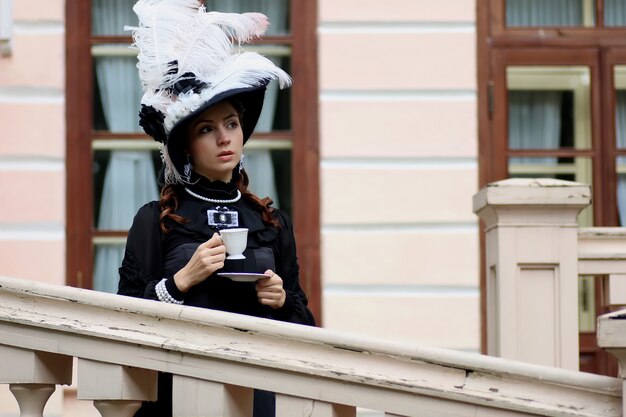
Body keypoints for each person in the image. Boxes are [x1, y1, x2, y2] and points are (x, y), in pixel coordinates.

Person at [117, 1, 315, 416]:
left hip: (255, 393)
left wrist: (281, 301)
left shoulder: (271, 221)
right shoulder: (156, 219)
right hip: (177, 396)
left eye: (231, 123)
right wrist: (180, 282)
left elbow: (303, 332)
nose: (224, 138)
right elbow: (123, 321)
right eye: (207, 129)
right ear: (187, 144)